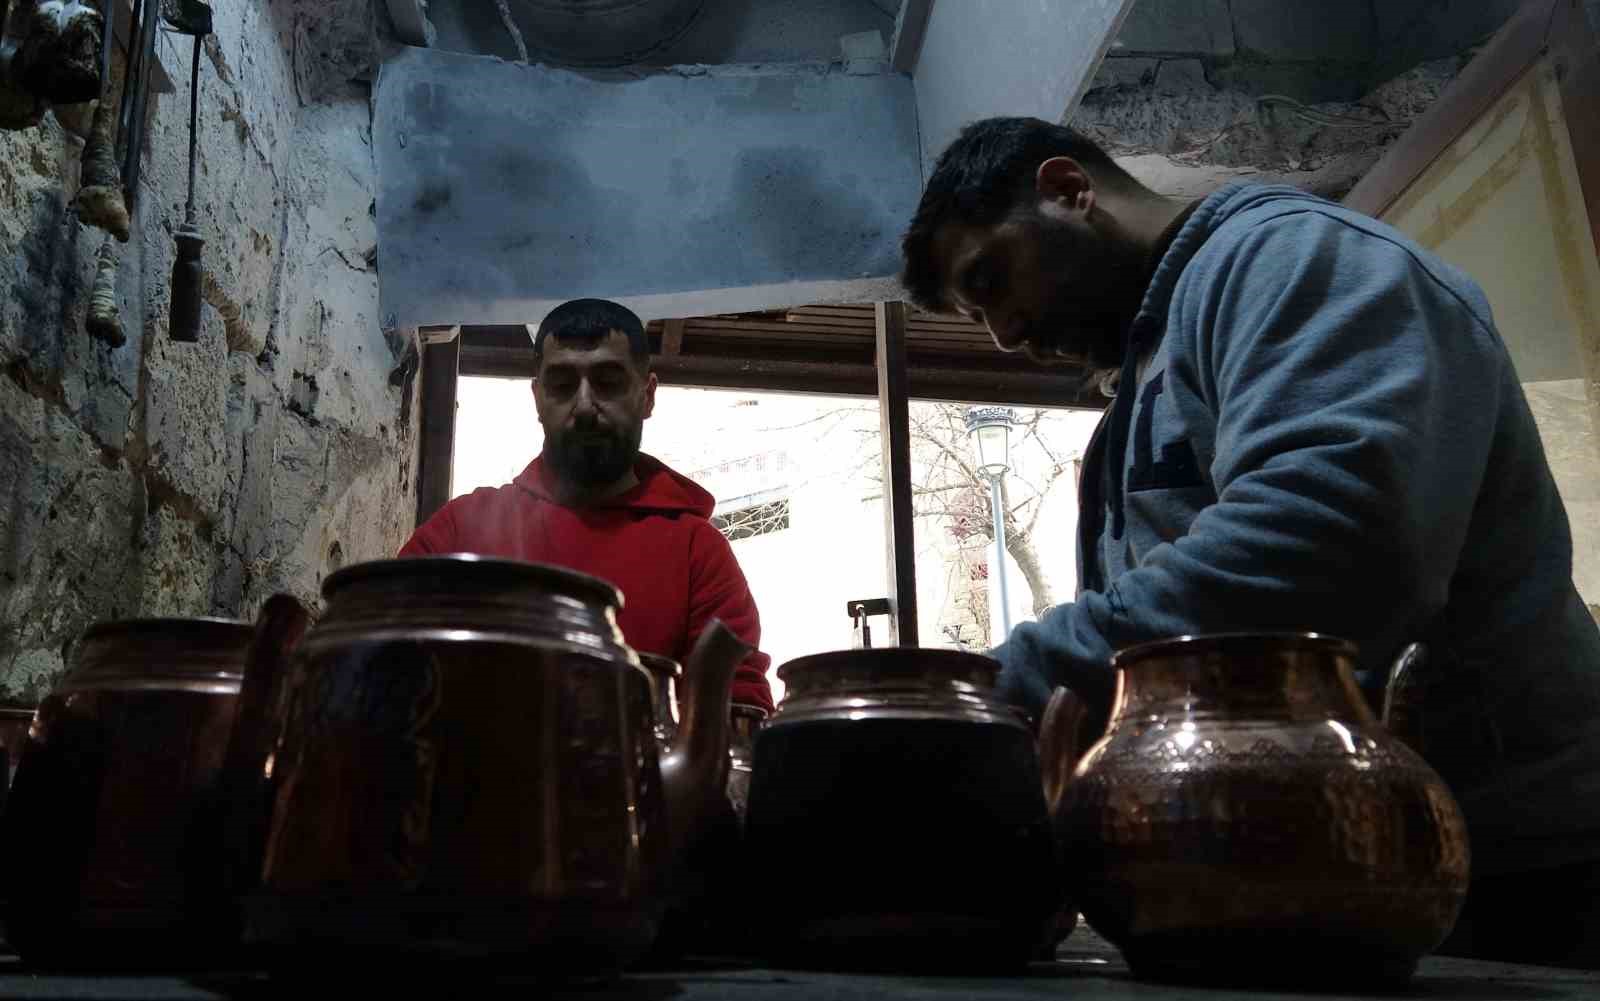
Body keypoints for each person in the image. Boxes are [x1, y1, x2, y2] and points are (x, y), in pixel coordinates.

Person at [899, 117, 1600, 967]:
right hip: (1332, 878)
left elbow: (1323, 550)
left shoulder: (1294, 260)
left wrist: (1000, 686)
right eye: (979, 317)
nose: (1004, 334)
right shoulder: (1145, 381)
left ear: (1068, 190)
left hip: (1508, 881)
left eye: (991, 278)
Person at [400, 299, 775, 713]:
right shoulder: (461, 530)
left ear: (647, 396)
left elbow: (737, 713)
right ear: (538, 397)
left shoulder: (698, 553)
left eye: (608, 382)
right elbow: (384, 666)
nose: (583, 406)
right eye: (562, 385)